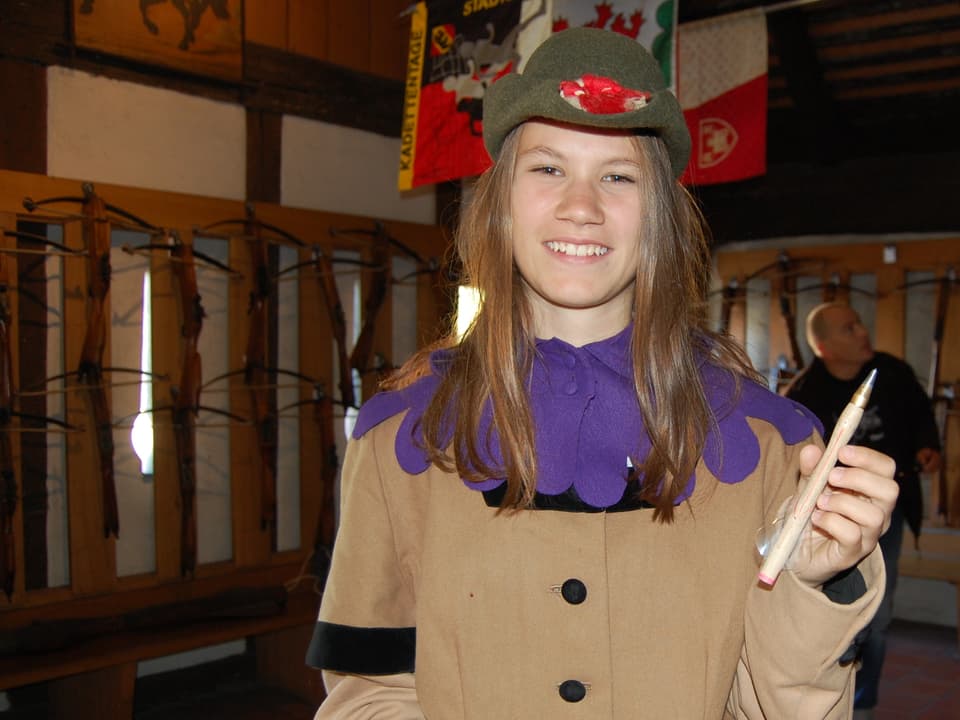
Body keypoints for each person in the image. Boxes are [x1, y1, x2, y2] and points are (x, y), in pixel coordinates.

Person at [307, 28, 898, 718]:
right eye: (548, 168)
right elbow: (367, 692)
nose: (580, 207)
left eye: (618, 176)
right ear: (498, 202)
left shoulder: (772, 443)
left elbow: (777, 708)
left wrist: (811, 582)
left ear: (661, 217)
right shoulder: (395, 438)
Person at [784, 301, 940, 719]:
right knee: (834, 613)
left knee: (879, 615)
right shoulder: (803, 395)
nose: (862, 332)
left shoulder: (892, 373)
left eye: (858, 324)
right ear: (823, 347)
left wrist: (928, 446)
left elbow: (923, 415)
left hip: (888, 513)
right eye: (849, 328)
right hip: (826, 524)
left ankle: (863, 704)